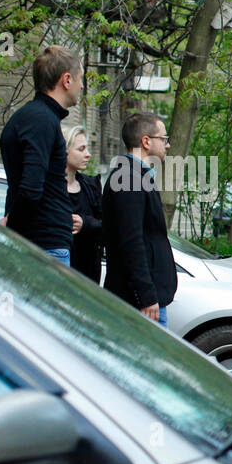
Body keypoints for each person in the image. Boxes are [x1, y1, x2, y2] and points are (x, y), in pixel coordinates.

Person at [0, 46, 84, 264]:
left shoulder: (35, 117)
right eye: (80, 79)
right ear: (66, 80)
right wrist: (11, 227)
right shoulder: (41, 120)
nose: (82, 86)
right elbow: (30, 188)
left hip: (42, 244)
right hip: (44, 248)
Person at [101, 112, 177, 327]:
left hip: (143, 299)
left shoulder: (136, 176)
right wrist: (146, 295)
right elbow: (131, 241)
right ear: (146, 141)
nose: (167, 145)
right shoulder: (128, 178)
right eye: (164, 139)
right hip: (139, 303)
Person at [63, 125, 103, 283]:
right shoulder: (50, 188)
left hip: (88, 277)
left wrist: (85, 224)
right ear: (64, 150)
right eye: (81, 149)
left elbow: (109, 227)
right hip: (59, 274)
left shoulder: (91, 186)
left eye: (87, 148)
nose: (88, 154)